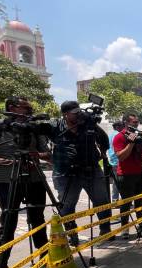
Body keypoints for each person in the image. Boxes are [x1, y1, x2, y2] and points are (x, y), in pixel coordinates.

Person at [0, 96, 50, 268]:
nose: (28, 110)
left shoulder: (33, 126)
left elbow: (46, 152)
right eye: (24, 107)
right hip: (7, 180)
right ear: (11, 108)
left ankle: (46, 257)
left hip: (34, 178)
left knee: (38, 218)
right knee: (8, 220)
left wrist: (37, 155)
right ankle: (1, 264)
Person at [49, 100, 114, 246]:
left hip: (91, 169)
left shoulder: (88, 124)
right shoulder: (55, 126)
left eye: (79, 112)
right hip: (66, 172)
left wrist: (102, 154)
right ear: (65, 115)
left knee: (102, 201)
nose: (79, 115)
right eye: (75, 113)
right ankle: (72, 235)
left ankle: (105, 229)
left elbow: (103, 139)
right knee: (67, 206)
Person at [113, 113, 142, 237]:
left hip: (139, 173)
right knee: (126, 203)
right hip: (126, 175)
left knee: (139, 201)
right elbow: (121, 156)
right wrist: (131, 143)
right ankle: (124, 228)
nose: (136, 124)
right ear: (126, 123)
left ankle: (141, 223)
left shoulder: (138, 136)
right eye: (134, 122)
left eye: (137, 122)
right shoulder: (119, 137)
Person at [106, 121, 124, 202]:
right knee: (119, 181)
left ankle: (115, 198)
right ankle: (116, 199)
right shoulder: (118, 135)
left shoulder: (110, 135)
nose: (123, 127)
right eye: (122, 126)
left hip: (112, 160)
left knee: (115, 181)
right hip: (117, 160)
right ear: (117, 127)